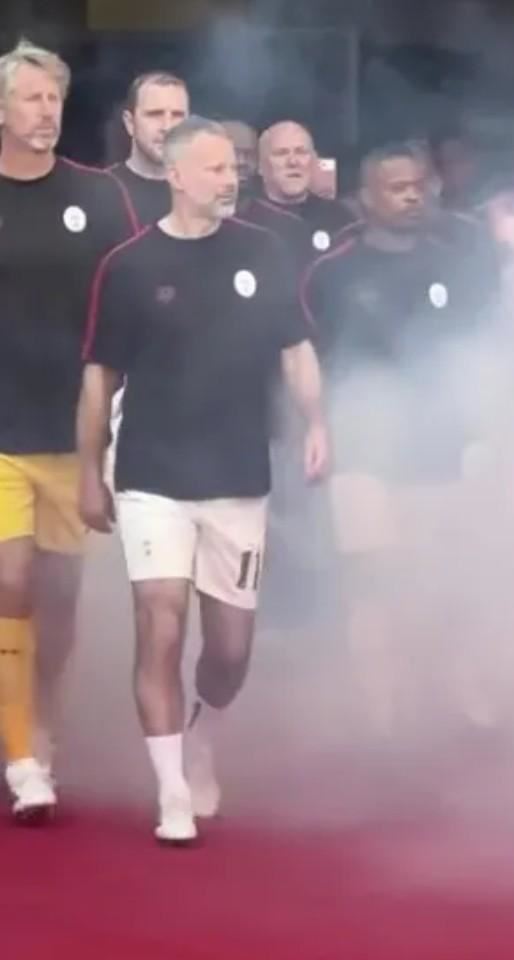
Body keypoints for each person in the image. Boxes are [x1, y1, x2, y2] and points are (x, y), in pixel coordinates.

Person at [77, 116, 329, 845]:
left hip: (238, 474)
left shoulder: (264, 251)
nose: (231, 179)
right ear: (176, 175)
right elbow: (99, 378)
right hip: (151, 475)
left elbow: (296, 348)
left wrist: (317, 423)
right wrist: (91, 472)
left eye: (233, 169)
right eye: (216, 169)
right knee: (159, 619)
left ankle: (203, 731)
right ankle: (172, 791)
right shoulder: (128, 266)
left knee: (229, 652)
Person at [301, 142, 491, 741]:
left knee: (444, 581)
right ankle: (380, 710)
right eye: (396, 187)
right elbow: (306, 361)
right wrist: (316, 427)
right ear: (365, 198)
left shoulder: (456, 263)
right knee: (373, 583)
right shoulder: (332, 272)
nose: (411, 196)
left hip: (441, 451)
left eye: (418, 185)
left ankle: (452, 695)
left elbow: (483, 357)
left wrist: (483, 436)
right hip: (363, 453)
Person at [0, 38, 138, 821]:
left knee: (59, 597)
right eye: (31, 98)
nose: (46, 111)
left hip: (73, 428)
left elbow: (127, 297)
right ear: (2, 110)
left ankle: (44, 730)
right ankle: (21, 754)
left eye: (54, 98)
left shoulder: (97, 195)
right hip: (0, 431)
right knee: (9, 578)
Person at [108, 71, 190, 226]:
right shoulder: (103, 189)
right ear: (130, 123)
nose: (167, 127)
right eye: (155, 114)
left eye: (177, 115)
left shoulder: (204, 193)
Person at [258, 121, 356, 241]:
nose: (293, 162)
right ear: (261, 166)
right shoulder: (245, 221)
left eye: (301, 152)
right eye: (281, 153)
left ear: (313, 161)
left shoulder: (340, 219)